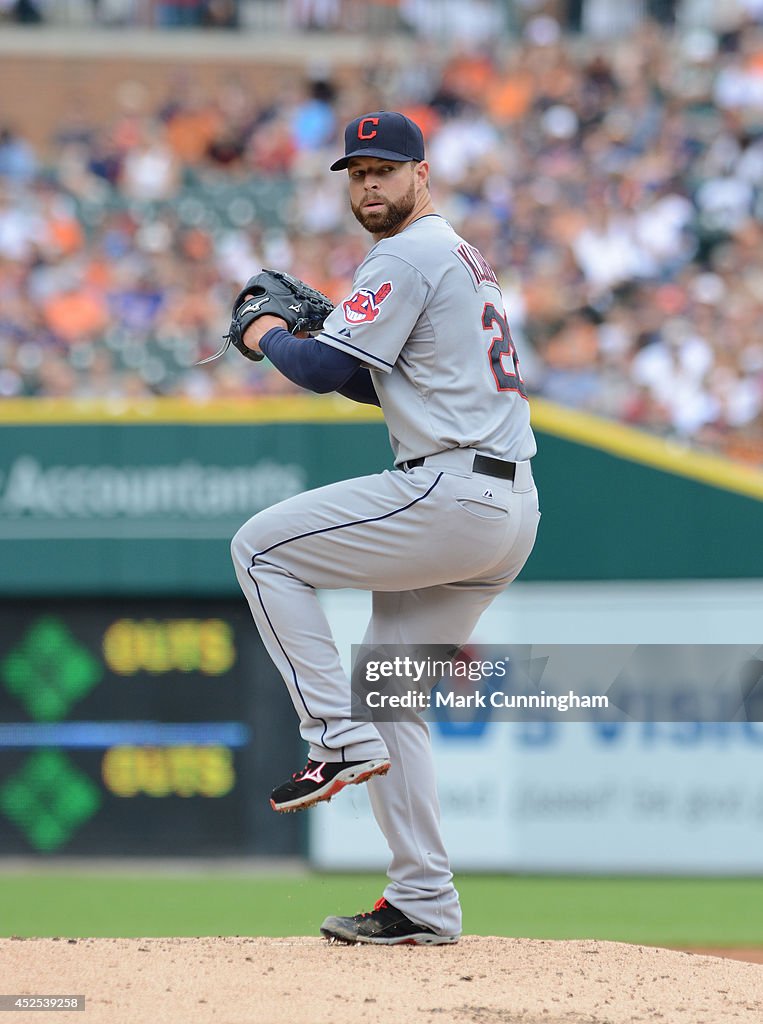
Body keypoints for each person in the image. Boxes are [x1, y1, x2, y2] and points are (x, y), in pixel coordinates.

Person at [230, 111, 540, 945]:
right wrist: (318, 336)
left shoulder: (406, 251)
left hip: (451, 492)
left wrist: (265, 334)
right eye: (357, 172)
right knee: (392, 694)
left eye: (384, 169)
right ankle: (422, 903)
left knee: (259, 549)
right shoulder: (460, 256)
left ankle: (333, 738)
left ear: (421, 174)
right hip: (506, 507)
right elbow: (378, 386)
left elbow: (326, 367)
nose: (369, 185)